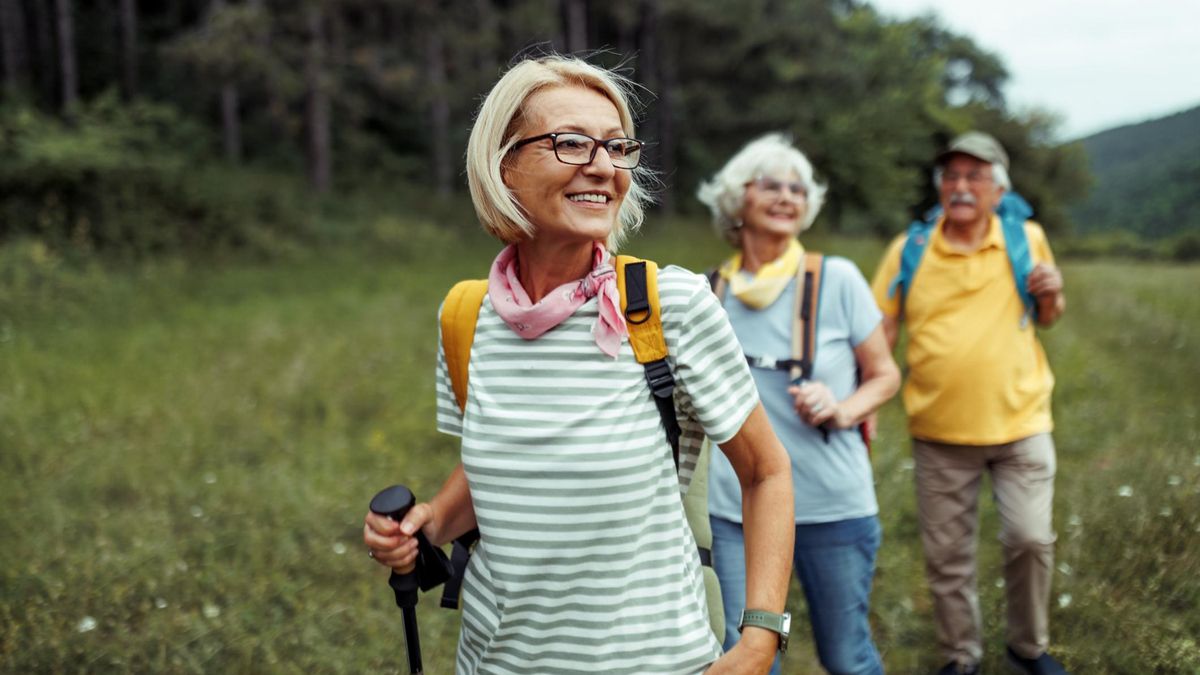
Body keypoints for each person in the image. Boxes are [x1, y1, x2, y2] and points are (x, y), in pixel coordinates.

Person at [362, 54, 795, 674]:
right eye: (571, 143)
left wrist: (759, 639)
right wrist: (429, 521)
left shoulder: (670, 306)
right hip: (494, 661)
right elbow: (507, 474)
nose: (602, 166)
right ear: (503, 165)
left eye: (617, 147)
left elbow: (767, 473)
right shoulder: (466, 316)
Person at [697, 133, 901, 675]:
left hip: (831, 504)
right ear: (737, 200)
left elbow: (885, 375)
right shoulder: (706, 293)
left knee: (846, 655)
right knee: (745, 658)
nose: (788, 196)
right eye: (771, 185)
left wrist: (844, 407)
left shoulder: (838, 280)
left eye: (798, 188)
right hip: (735, 509)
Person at [868, 132, 1068, 675]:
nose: (961, 187)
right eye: (952, 176)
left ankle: (1028, 649)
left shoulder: (1025, 237)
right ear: (940, 187)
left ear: (998, 189)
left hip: (1021, 422)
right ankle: (961, 656)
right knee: (948, 558)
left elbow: (1047, 314)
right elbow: (881, 330)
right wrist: (866, 399)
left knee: (1030, 538)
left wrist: (1050, 291)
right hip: (939, 432)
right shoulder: (910, 248)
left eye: (975, 176)